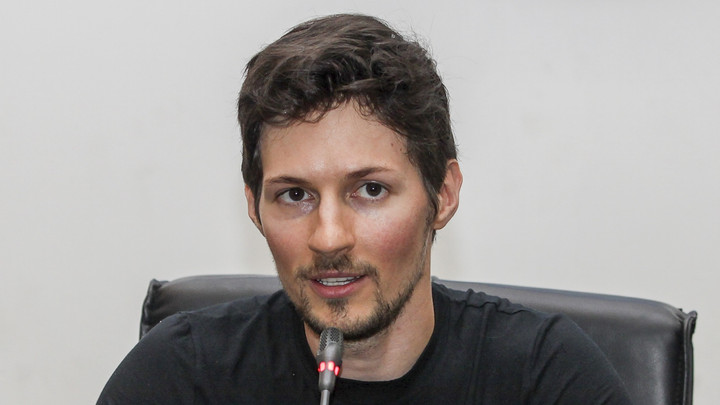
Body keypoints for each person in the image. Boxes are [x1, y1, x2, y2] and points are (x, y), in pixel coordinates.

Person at [97, 14, 632, 404]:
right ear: (254, 210)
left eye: (370, 190)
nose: (329, 237)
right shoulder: (181, 376)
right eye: (295, 195)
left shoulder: (546, 376)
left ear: (443, 195)